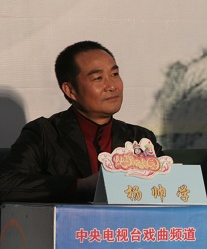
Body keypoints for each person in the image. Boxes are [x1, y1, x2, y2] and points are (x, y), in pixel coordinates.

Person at [0, 41, 164, 203]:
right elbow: (6, 184)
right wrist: (79, 186)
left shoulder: (139, 138)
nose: (112, 86)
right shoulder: (44, 133)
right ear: (70, 90)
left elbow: (167, 187)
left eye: (114, 74)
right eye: (98, 78)